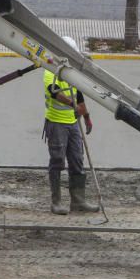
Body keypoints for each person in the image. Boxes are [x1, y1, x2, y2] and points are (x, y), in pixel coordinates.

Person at [43, 36, 99, 215]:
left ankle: (78, 201)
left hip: (73, 124)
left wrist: (87, 116)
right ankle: (56, 202)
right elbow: (54, 92)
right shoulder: (50, 69)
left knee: (77, 160)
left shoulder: (73, 72)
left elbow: (80, 97)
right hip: (56, 122)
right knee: (57, 161)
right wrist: (72, 104)